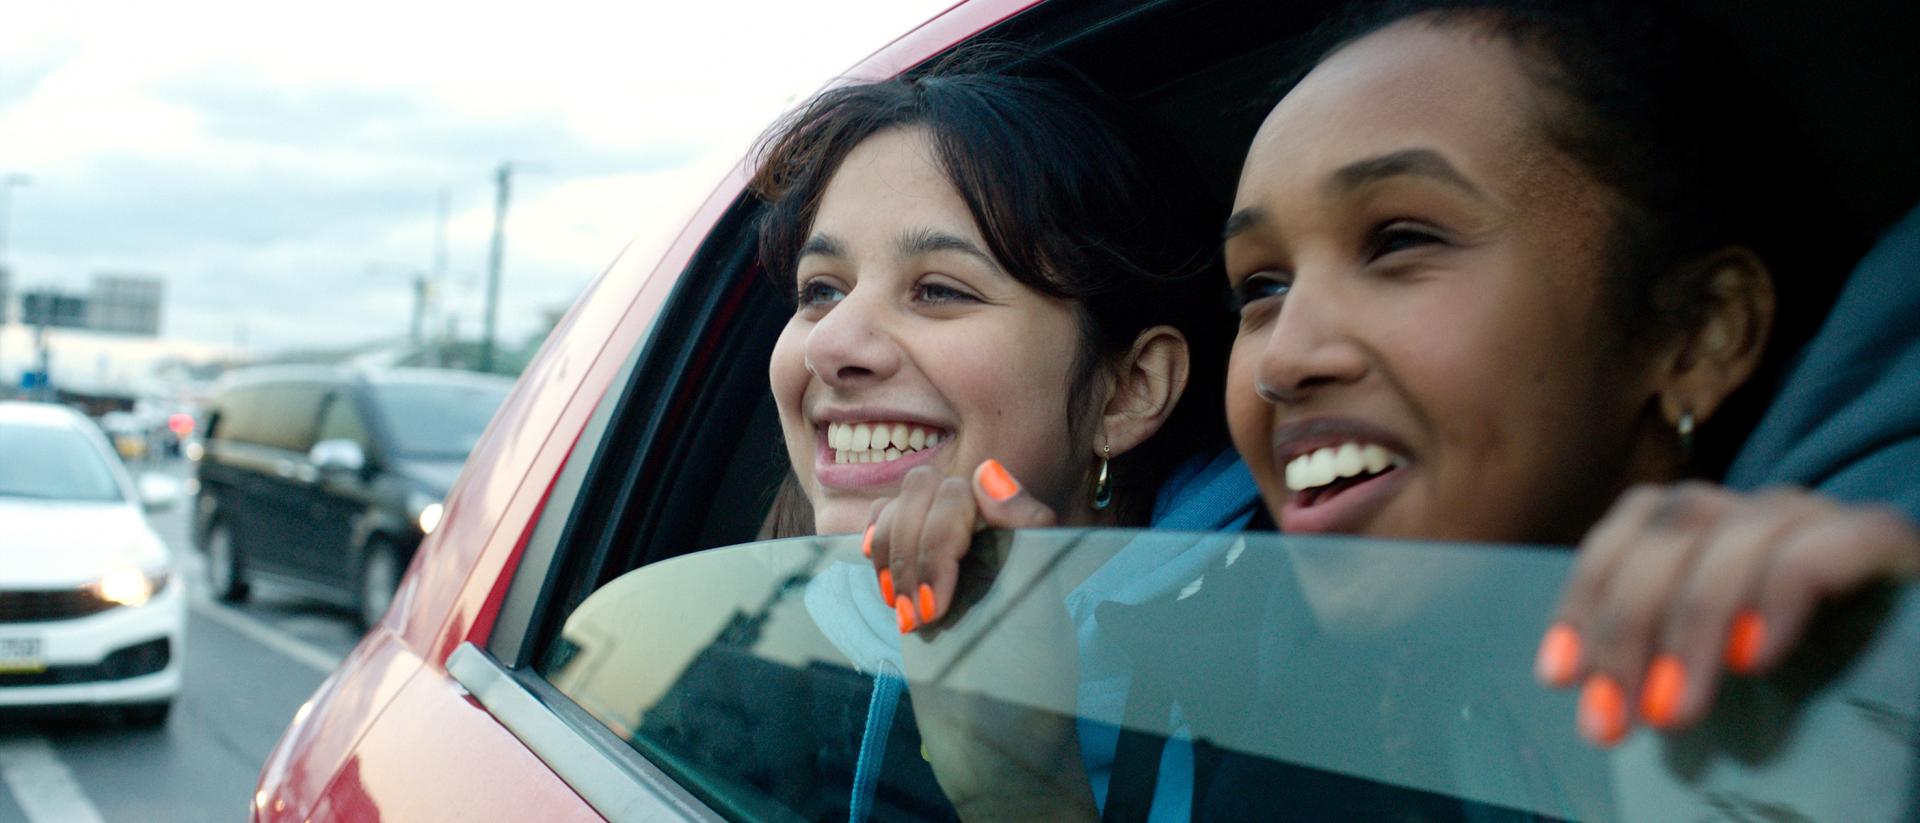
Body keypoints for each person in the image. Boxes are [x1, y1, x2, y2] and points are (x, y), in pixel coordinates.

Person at [1215, 0, 1920, 760]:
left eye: (1400, 240)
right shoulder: (1362, 704)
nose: (1284, 361)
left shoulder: (1866, 634)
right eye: (1262, 288)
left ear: (1697, 335)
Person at [751, 53, 1261, 819]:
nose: (830, 344)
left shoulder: (1296, 698)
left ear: (1130, 389)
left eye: (938, 290)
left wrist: (1024, 794)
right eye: (821, 290)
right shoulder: (761, 657)